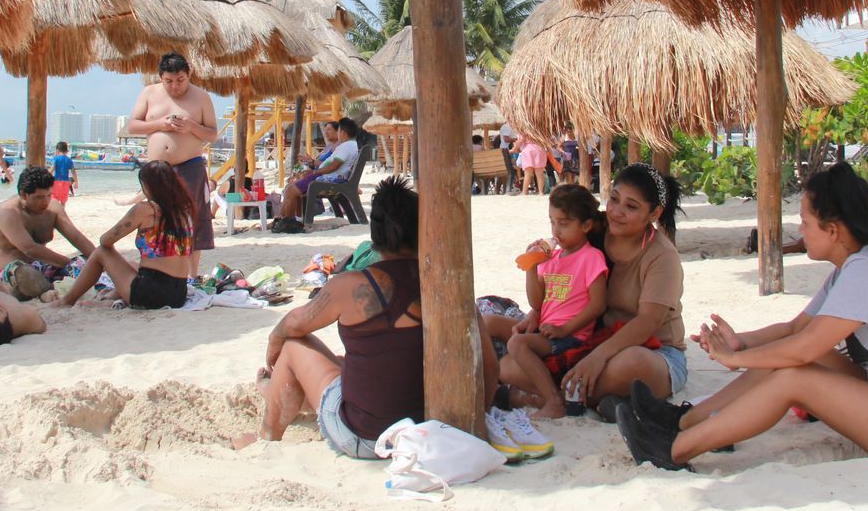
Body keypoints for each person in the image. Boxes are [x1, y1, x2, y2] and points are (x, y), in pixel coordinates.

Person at [617, 163, 868, 470]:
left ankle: (673, 450)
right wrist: (741, 342)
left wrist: (736, 359)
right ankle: (684, 421)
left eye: (806, 222)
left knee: (793, 376)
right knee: (789, 356)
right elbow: (796, 329)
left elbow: (802, 349)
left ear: (833, 229)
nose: (801, 231)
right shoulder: (857, 265)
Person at [233, 176, 526, 456]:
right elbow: (489, 368)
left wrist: (274, 343)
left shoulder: (351, 286)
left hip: (363, 437)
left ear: (375, 237)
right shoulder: (450, 290)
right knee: (345, 362)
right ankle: (279, 391)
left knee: (293, 347)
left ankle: (267, 435)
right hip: (430, 430)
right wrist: (474, 418)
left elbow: (294, 324)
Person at [555, 164, 687, 415]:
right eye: (614, 199)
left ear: (654, 213)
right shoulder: (595, 228)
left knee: (632, 363)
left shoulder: (662, 256)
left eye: (631, 206)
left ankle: (557, 393)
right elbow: (562, 264)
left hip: (655, 351)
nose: (616, 212)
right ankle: (602, 397)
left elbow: (648, 321)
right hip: (594, 339)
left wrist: (598, 357)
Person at [500, 184, 610, 419]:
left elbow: (598, 305)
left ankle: (553, 401)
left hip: (572, 336)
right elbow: (537, 303)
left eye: (563, 223)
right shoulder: (553, 258)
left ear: (586, 226)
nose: (556, 230)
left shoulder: (591, 257)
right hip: (547, 331)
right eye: (552, 222)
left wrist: (564, 329)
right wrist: (532, 267)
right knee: (491, 325)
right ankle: (543, 395)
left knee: (517, 344)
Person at [126, 53, 220, 274]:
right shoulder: (149, 93)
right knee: (157, 218)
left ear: (189, 75)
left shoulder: (201, 97)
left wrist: (191, 127)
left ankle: (191, 275)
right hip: (158, 170)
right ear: (160, 77)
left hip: (190, 165)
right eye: (168, 81)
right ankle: (160, 270)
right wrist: (160, 124)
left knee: (193, 220)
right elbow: (133, 126)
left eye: (180, 80)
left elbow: (212, 134)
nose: (175, 86)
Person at [58, 160, 195, 310]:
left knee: (101, 252)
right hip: (178, 294)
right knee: (131, 265)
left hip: (151, 295)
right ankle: (109, 298)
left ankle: (66, 301)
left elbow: (105, 241)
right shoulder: (184, 210)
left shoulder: (146, 209)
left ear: (148, 186)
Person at [0, 166, 96, 301]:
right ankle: (48, 292)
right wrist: (69, 264)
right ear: (23, 194)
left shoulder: (53, 208)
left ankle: (50, 291)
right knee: (23, 272)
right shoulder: (8, 211)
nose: (45, 202)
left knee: (88, 259)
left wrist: (97, 259)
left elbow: (77, 238)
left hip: (42, 269)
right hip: (9, 274)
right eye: (39, 197)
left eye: (49, 195)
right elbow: (29, 249)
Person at [271, 117, 360, 232]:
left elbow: (334, 166)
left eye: (337, 131)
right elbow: (333, 165)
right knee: (290, 188)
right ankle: (284, 220)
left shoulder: (346, 146)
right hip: (327, 177)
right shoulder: (349, 145)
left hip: (326, 179)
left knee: (291, 190)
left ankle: (288, 222)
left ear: (342, 132)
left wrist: (315, 172)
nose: (337, 134)